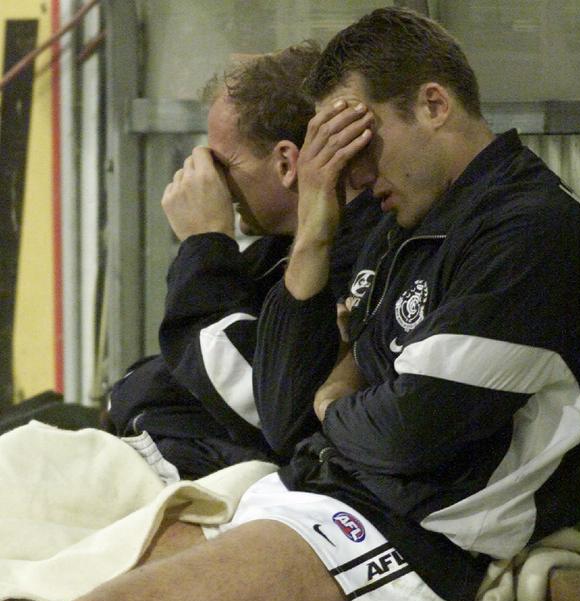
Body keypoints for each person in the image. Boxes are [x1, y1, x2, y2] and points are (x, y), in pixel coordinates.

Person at [0, 6, 580, 601]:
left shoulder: (531, 230)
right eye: (338, 162)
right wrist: (316, 233)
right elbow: (293, 412)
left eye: (363, 151)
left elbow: (408, 431)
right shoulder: (400, 223)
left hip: (416, 536)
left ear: (434, 104)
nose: (359, 181)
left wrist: (334, 407)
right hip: (313, 497)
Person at [106, 42, 380, 479]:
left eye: (222, 162)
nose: (212, 179)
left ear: (287, 162)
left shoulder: (361, 253)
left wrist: (205, 244)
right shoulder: (280, 247)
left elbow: (254, 398)